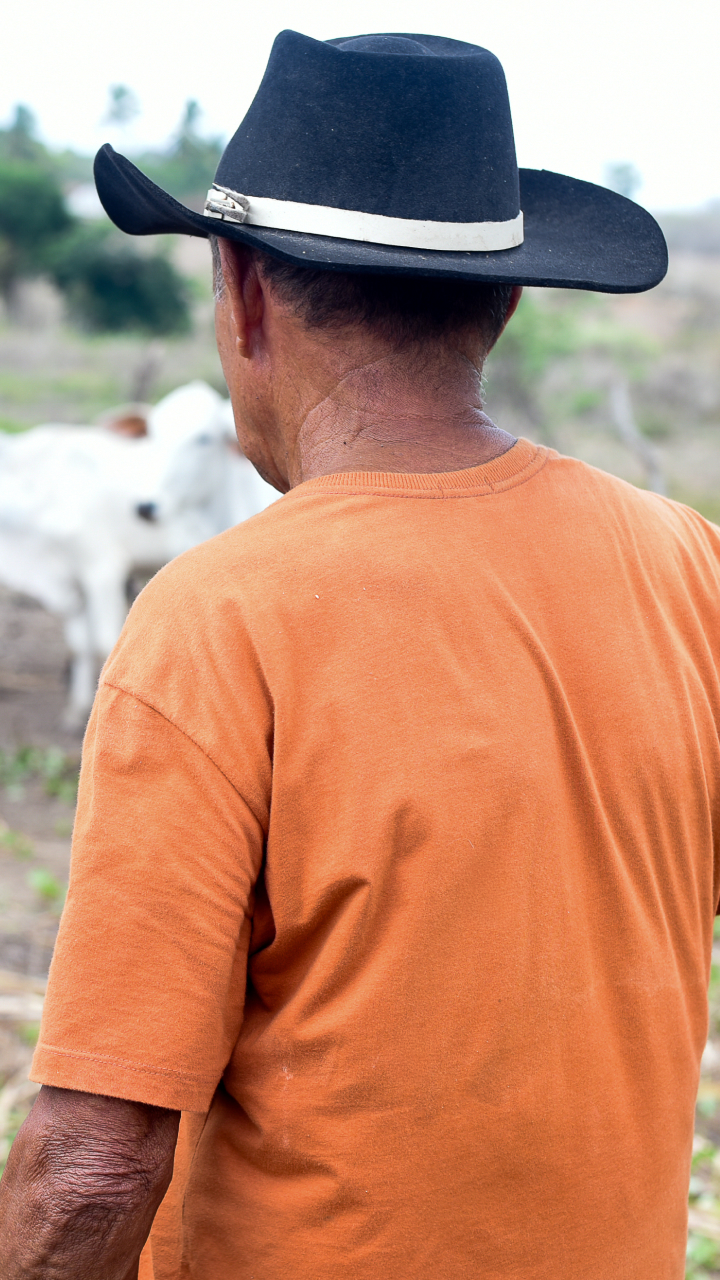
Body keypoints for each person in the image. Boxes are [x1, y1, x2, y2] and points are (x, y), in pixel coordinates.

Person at [0, 29, 711, 1280]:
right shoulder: (690, 570)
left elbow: (97, 1161)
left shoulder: (222, 617)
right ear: (504, 297)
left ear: (244, 294)